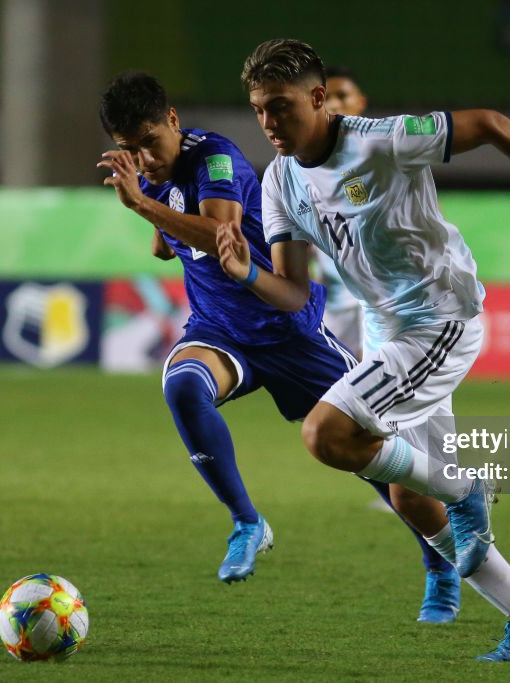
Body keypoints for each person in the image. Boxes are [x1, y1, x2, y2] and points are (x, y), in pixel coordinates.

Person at [218, 39, 510, 662]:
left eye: (281, 106)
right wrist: (245, 274)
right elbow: (295, 294)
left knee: (327, 435)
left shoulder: (383, 139)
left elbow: (489, 124)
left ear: (319, 98)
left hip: (441, 319)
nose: (269, 123)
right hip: (386, 327)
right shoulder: (279, 180)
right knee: (408, 492)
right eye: (260, 109)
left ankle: (468, 492)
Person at [95, 71, 461, 623]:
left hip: (288, 329)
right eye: (131, 149)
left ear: (173, 121)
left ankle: (439, 565)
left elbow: (222, 239)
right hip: (220, 330)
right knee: (183, 387)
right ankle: (247, 521)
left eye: (150, 142)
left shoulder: (216, 158)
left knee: (367, 453)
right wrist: (150, 195)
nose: (144, 158)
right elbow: (164, 247)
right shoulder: (152, 174)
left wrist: (143, 205)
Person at [313, 65, 368, 360]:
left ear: (360, 101)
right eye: (327, 97)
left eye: (342, 96)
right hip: (332, 305)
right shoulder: (305, 165)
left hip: (375, 302)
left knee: (370, 389)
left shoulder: (387, 154)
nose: (334, 104)